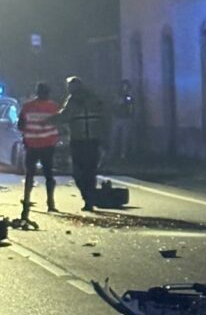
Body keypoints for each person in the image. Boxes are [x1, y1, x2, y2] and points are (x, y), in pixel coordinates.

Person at [52, 77, 107, 212]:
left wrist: (49, 119)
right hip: (90, 141)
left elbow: (64, 116)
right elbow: (104, 119)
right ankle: (89, 198)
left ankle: (88, 198)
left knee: (80, 173)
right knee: (89, 172)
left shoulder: (73, 101)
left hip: (81, 141)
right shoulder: (94, 99)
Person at [17, 82, 60, 218]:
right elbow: (59, 124)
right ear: (49, 93)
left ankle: (26, 202)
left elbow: (20, 125)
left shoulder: (27, 106)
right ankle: (50, 203)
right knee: (49, 174)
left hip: (31, 145)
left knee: (30, 175)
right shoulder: (53, 107)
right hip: (48, 145)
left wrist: (29, 133)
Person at [110, 79, 135, 161]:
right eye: (124, 86)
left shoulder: (129, 96)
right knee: (114, 137)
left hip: (126, 118)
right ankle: (113, 153)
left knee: (125, 138)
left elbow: (131, 105)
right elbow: (114, 104)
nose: (125, 88)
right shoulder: (117, 95)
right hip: (117, 118)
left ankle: (123, 154)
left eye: (126, 86)